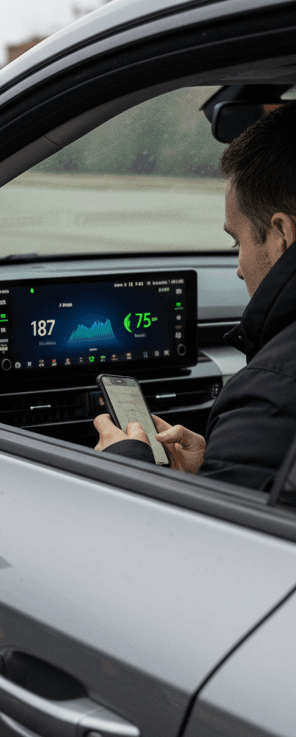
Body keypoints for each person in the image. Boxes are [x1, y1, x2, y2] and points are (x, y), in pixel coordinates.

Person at [93, 100, 296, 491]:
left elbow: (206, 548)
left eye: (236, 240)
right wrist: (217, 468)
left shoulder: (270, 398)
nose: (238, 268)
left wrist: (125, 469)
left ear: (282, 235)